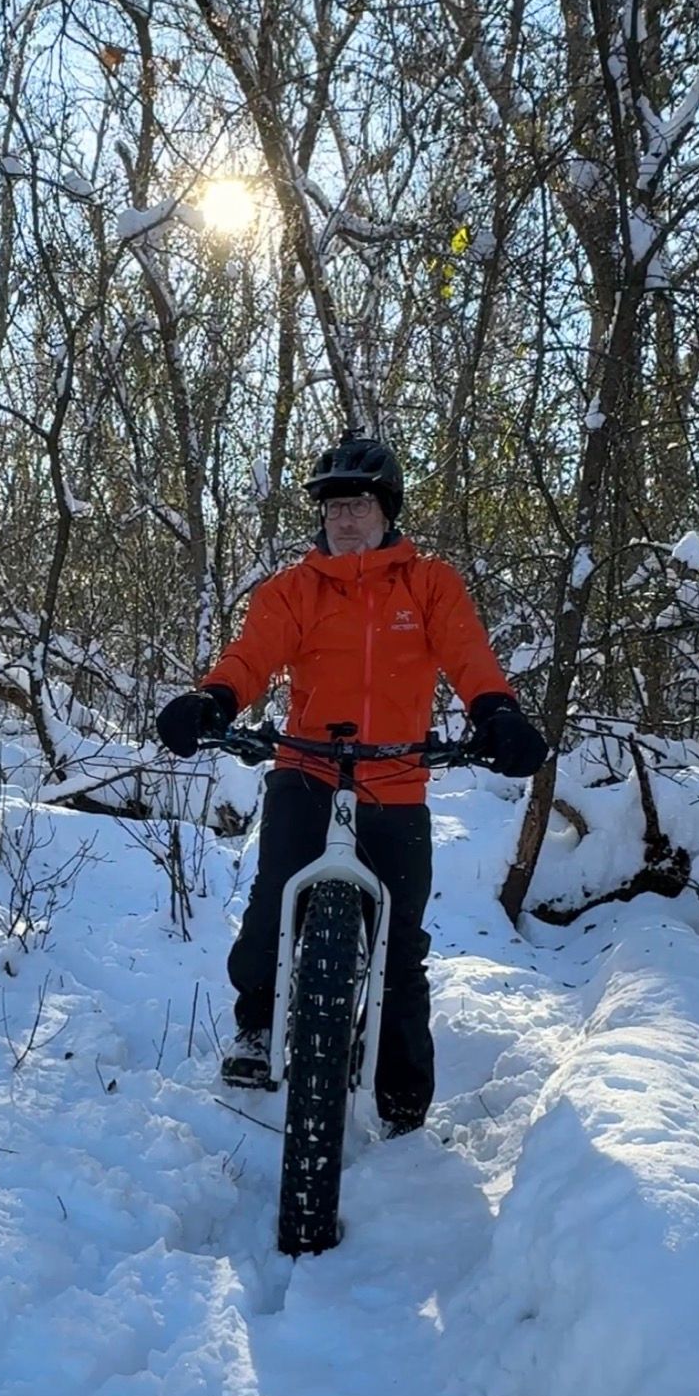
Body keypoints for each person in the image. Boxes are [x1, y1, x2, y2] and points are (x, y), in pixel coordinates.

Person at [156, 433, 548, 1136]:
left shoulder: (429, 584)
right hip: (307, 772)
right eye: (334, 505)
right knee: (273, 908)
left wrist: (496, 713)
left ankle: (402, 1102)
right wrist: (214, 700)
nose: (344, 518)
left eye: (358, 504)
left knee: (400, 947)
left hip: (395, 782)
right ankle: (256, 1028)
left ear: (386, 510)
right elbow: (252, 655)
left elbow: (467, 654)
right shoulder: (292, 590)